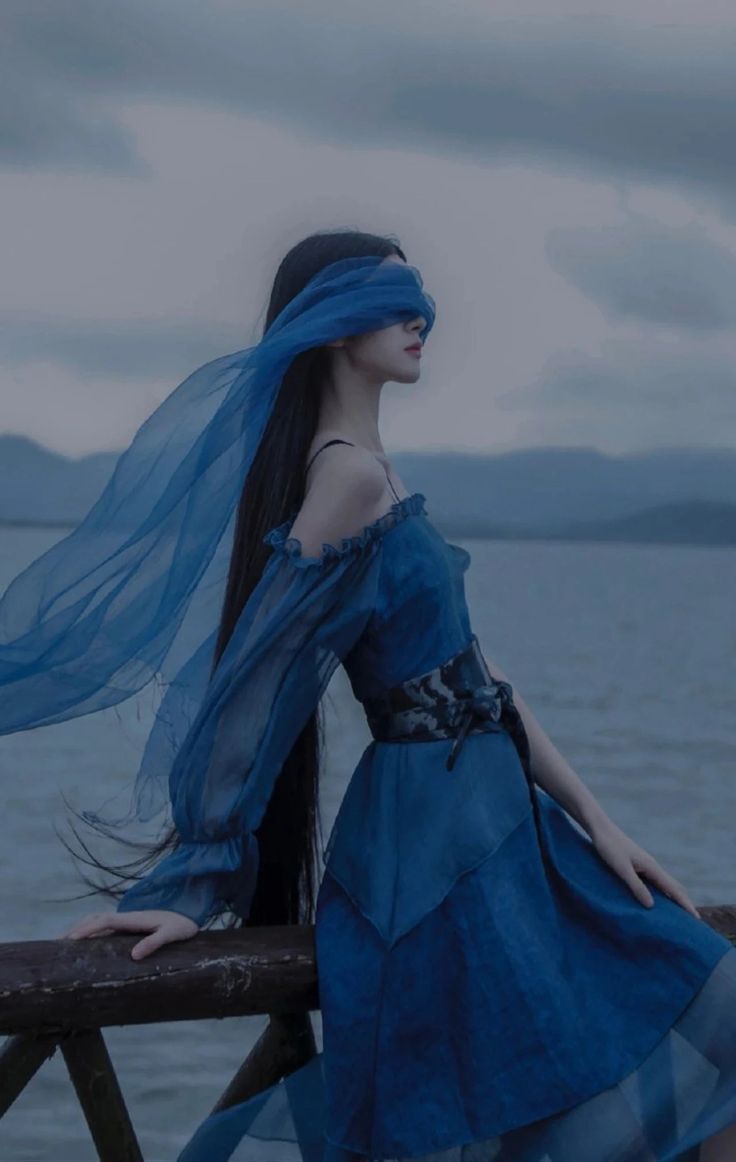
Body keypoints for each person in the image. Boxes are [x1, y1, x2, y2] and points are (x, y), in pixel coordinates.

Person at [1, 228, 735, 1162]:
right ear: (332, 327)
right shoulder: (345, 478)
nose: (421, 316)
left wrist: (600, 820)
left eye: (420, 295)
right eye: (392, 300)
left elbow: (483, 677)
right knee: (518, 1089)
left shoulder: (380, 474)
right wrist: (199, 879)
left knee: (664, 1025)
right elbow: (253, 689)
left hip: (497, 826)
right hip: (430, 845)